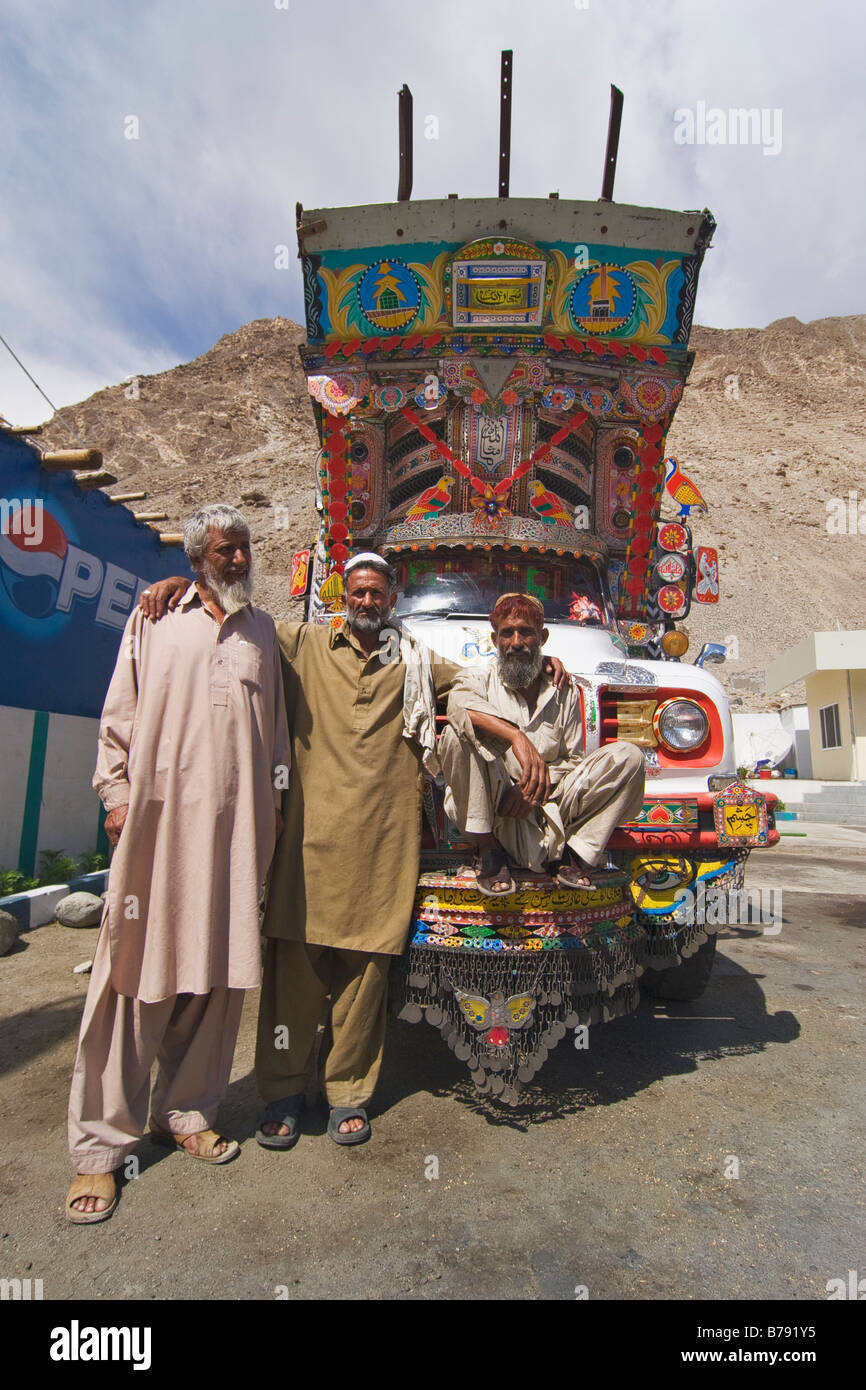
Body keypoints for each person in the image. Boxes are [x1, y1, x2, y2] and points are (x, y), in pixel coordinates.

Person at [139, 554, 569, 1146]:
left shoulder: (415, 661)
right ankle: (284, 1091)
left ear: (392, 600)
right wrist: (186, 586)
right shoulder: (302, 643)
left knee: (364, 978)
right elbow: (233, 618)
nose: (368, 603)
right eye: (359, 593)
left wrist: (546, 670)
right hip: (308, 845)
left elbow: (478, 686)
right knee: (293, 974)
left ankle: (348, 1094)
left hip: (381, 842)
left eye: (378, 594)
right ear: (346, 594)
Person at [65, 505, 289, 1223]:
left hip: (237, 838)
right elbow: (119, 715)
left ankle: (185, 1113)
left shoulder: (261, 630)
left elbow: (276, 738)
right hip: (158, 833)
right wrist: (116, 794)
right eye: (226, 550)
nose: (239, 560)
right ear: (198, 558)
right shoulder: (153, 618)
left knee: (218, 979)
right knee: (134, 979)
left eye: (244, 548)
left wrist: (274, 814)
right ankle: (99, 1150)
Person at [439, 592, 645, 894]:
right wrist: (515, 736)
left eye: (526, 632)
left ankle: (575, 855)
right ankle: (488, 851)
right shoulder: (478, 678)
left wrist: (535, 788)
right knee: (456, 736)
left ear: (542, 637)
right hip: (497, 807)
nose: (516, 642)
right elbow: (458, 704)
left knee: (630, 756)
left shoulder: (563, 690)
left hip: (550, 805)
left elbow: (573, 761)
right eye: (507, 633)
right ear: (495, 639)